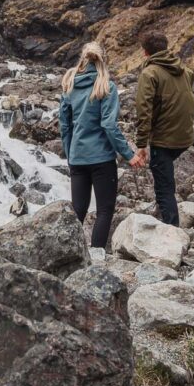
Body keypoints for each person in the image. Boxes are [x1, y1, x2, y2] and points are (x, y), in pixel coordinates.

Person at [59, 40, 135, 263]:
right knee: (104, 210)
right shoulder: (106, 86)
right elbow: (109, 125)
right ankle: (97, 258)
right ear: (103, 60)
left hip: (78, 158)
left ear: (82, 58)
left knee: (78, 211)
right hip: (102, 158)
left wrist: (70, 153)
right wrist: (129, 155)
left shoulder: (69, 85)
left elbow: (65, 126)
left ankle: (66, 257)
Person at [129, 29, 194, 227]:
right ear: (166, 48)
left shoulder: (149, 73)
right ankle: (165, 217)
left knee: (164, 187)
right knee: (166, 178)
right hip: (184, 136)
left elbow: (144, 110)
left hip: (163, 139)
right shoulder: (184, 70)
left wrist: (141, 144)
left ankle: (172, 231)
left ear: (145, 52)